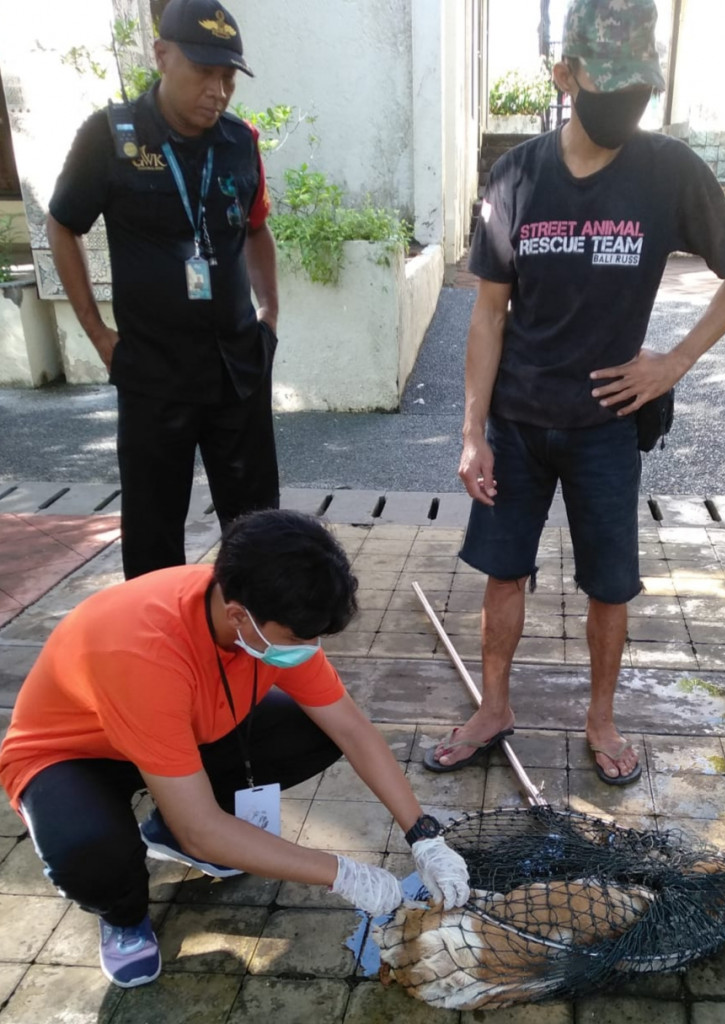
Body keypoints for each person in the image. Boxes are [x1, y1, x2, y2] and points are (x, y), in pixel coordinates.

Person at [426, 0, 725, 782]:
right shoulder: (516, 175)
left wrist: (673, 362)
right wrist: (472, 432)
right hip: (516, 421)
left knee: (609, 585)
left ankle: (601, 720)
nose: (625, 103)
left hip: (608, 424)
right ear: (565, 75)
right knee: (502, 571)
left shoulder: (668, 171)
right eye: (609, 87)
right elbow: (486, 313)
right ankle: (493, 707)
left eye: (638, 90)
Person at [0, 509, 469, 989]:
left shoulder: (263, 609)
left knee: (314, 731)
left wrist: (423, 834)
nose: (308, 649)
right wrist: (343, 873)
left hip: (179, 735)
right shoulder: (143, 653)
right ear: (239, 616)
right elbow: (203, 830)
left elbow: (351, 729)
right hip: (76, 756)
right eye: (297, 639)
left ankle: (171, 828)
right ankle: (123, 914)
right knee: (90, 853)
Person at [47, 0, 280, 580]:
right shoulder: (110, 137)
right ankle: (158, 637)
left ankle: (252, 631)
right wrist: (99, 334)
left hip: (237, 368)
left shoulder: (239, 141)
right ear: (161, 56)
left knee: (258, 532)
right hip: (153, 374)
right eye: (203, 72)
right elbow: (63, 224)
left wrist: (270, 313)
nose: (218, 91)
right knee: (153, 537)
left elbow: (257, 228)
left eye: (228, 78)